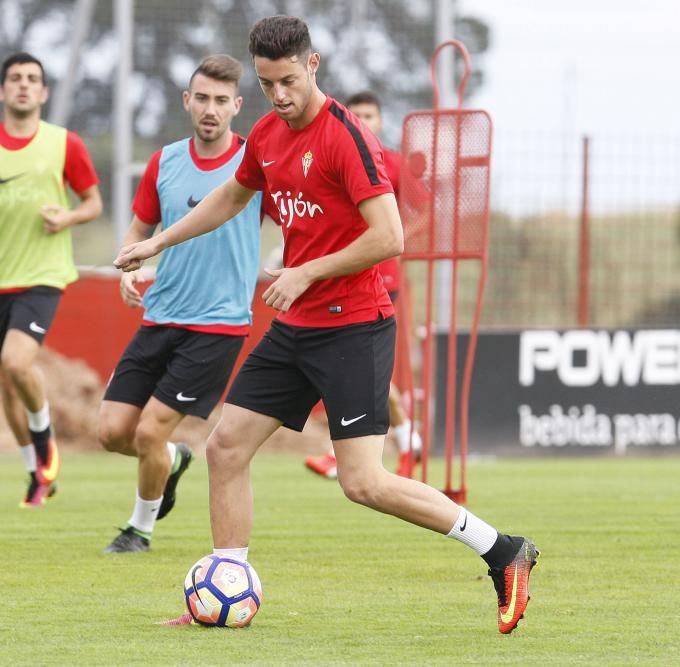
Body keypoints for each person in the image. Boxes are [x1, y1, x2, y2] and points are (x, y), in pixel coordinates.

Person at [116, 16, 537, 634]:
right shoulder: (265, 133)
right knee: (225, 447)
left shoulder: (345, 138)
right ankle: (225, 586)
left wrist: (306, 271)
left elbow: (389, 237)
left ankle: (504, 550)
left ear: (312, 66)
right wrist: (158, 242)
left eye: (288, 80)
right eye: (266, 84)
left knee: (363, 483)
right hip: (298, 324)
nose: (279, 96)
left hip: (355, 326)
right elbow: (232, 198)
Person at [98, 54, 262, 553]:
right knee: (110, 432)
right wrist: (129, 266)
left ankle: (139, 529)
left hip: (218, 324)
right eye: (202, 98)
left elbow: (296, 219)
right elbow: (140, 226)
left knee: (148, 432)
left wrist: (294, 267)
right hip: (160, 315)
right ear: (187, 101)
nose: (210, 109)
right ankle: (173, 457)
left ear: (235, 105)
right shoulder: (164, 161)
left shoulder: (253, 163)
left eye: (221, 100)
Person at [0, 52, 103, 508]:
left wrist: (69, 216)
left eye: (33, 79)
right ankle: (37, 473)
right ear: (1, 90)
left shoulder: (64, 143)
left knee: (17, 362)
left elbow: (93, 203)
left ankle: (45, 441)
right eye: (15, 78)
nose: (24, 86)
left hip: (44, 275)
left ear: (44, 93)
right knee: (5, 382)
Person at [304, 90, 423, 480]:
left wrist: (397, 238)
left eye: (369, 115)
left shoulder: (391, 163)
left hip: (379, 278)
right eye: (356, 114)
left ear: (381, 120)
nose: (363, 121)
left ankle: (386, 443)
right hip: (339, 275)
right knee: (353, 369)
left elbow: (426, 210)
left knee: (357, 368)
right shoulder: (335, 156)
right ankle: (405, 439)